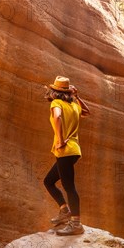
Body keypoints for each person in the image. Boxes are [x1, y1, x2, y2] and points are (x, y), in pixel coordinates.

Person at [43, 76, 91, 236]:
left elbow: (57, 117)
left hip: (65, 150)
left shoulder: (57, 103)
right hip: (74, 150)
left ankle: (76, 223)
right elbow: (87, 112)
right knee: (49, 181)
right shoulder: (75, 106)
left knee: (69, 187)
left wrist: (60, 139)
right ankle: (65, 211)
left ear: (54, 91)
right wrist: (77, 97)